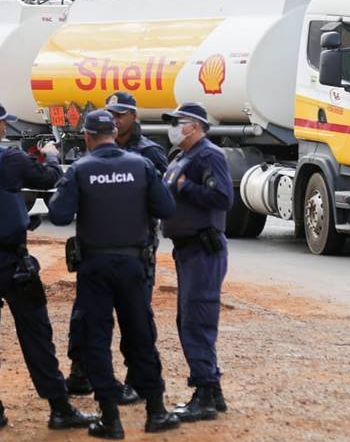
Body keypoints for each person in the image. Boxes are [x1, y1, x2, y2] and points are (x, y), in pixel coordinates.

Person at [0, 100, 94, 432]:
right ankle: (58, 406)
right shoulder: (6, 158)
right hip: (11, 263)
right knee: (36, 334)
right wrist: (52, 154)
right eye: (4, 125)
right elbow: (49, 178)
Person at [48, 110, 180, 439]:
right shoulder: (141, 165)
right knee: (140, 336)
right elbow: (166, 209)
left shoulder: (81, 169)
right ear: (114, 132)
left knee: (96, 339)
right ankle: (156, 411)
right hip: (134, 264)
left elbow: (60, 215)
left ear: (89, 137)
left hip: (95, 267)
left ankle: (110, 417)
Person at [65, 91, 170, 402]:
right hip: (96, 247)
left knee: (136, 318)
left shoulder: (148, 153)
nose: (115, 118)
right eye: (111, 113)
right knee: (86, 316)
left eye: (122, 113)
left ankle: (136, 381)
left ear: (134, 116)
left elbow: (159, 202)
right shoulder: (92, 153)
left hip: (135, 248)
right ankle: (81, 370)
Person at [161, 103, 233, 422]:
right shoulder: (180, 158)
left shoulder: (208, 155)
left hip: (204, 248)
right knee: (187, 318)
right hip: (186, 250)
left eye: (179, 123)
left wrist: (185, 187)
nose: (174, 128)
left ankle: (203, 393)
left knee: (197, 320)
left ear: (195, 126)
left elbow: (223, 198)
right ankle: (212, 391)